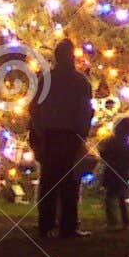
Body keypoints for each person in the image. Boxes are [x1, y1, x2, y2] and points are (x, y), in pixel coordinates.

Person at [28, 38, 94, 239]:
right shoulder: (79, 82)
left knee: (49, 180)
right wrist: (81, 134)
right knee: (69, 183)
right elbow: (84, 111)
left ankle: (46, 224)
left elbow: (35, 109)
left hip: (51, 134)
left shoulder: (46, 80)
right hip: (68, 135)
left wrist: (40, 131)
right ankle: (67, 225)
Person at [98, 115, 129, 229]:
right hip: (122, 172)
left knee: (110, 197)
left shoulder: (111, 142)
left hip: (112, 172)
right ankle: (125, 222)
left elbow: (103, 153)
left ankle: (113, 222)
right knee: (121, 197)